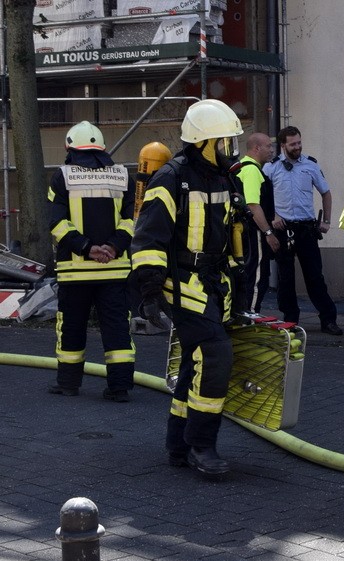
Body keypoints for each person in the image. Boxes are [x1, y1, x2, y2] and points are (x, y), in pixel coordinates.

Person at [131, 98, 245, 476]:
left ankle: (178, 446)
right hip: (181, 286)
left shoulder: (224, 178)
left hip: (214, 286)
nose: (231, 150)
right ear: (203, 143)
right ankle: (201, 445)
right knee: (215, 357)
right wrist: (148, 296)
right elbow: (148, 240)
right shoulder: (171, 177)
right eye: (225, 143)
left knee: (197, 362)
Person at [47, 121, 135, 402]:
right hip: (115, 269)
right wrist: (112, 247)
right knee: (117, 327)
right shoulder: (123, 176)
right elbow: (133, 221)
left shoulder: (61, 177)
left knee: (72, 326)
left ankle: (68, 384)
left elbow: (57, 223)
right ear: (103, 148)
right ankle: (120, 388)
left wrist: (87, 248)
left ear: (68, 147)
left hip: (74, 272)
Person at [263, 126, 344, 335]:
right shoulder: (271, 168)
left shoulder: (310, 165)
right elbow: (263, 198)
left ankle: (328, 319)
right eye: (293, 144)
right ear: (283, 146)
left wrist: (327, 221)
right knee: (286, 278)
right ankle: (290, 321)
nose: (298, 147)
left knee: (315, 276)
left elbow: (326, 193)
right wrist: (273, 216)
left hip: (306, 228)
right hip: (283, 229)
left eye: (299, 143)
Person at [235, 132, 280, 313]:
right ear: (257, 148)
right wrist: (268, 233)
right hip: (254, 234)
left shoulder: (240, 168)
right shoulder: (253, 171)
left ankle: (244, 313)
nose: (271, 150)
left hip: (243, 233)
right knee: (257, 277)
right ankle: (250, 315)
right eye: (268, 146)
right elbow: (253, 205)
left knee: (247, 274)